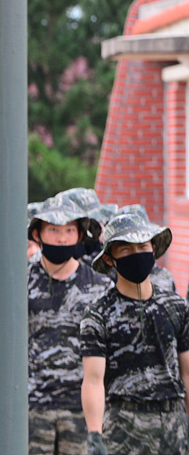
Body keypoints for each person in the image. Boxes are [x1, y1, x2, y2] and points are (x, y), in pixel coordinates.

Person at [80, 206, 189, 455]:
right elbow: (93, 380)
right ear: (109, 259)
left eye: (142, 247)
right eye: (126, 249)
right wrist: (95, 434)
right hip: (123, 425)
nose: (137, 253)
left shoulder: (176, 306)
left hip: (172, 423)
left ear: (153, 249)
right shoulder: (98, 313)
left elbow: (187, 373)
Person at [25, 189, 111, 455]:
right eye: (53, 230)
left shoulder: (100, 286)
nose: (61, 238)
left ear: (79, 235)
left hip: (81, 409)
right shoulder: (19, 280)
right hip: (31, 407)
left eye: (69, 231)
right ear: (37, 234)